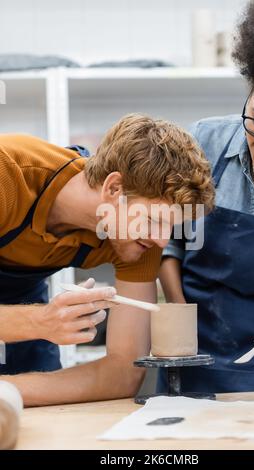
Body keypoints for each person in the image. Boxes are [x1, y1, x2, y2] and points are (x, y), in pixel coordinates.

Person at [0, 113, 214, 405]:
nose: (162, 241)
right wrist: (41, 321)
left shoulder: (141, 242)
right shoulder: (8, 175)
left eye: (170, 227)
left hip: (23, 309)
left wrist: (8, 390)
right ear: (114, 188)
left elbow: (123, 373)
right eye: (153, 219)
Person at [159, 0, 254, 393]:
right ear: (249, 90)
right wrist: (180, 316)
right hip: (191, 365)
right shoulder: (201, 143)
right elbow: (168, 244)